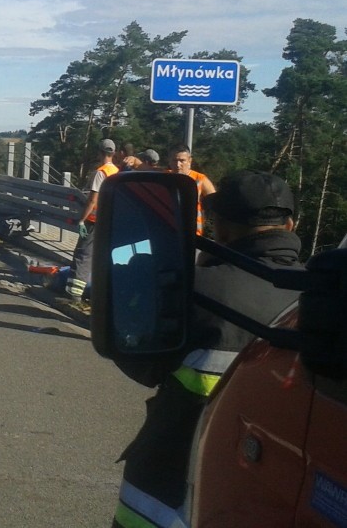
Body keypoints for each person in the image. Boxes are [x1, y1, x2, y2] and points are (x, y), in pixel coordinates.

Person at [111, 170, 302, 528]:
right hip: (268, 491)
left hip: (169, 482)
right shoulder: (318, 302)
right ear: (290, 226)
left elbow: (136, 357)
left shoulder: (197, 288)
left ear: (222, 229)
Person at [64, 138, 119, 304]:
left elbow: (92, 200)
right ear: (113, 153)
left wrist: (82, 220)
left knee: (83, 255)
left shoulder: (100, 173)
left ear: (100, 153)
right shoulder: (116, 172)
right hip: (108, 220)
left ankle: (74, 295)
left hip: (94, 221)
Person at [167, 144, 216, 236]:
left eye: (182, 160)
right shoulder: (164, 177)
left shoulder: (200, 179)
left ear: (189, 160)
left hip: (193, 235)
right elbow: (145, 169)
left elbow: (216, 203)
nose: (178, 164)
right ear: (169, 161)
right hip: (169, 232)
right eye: (174, 160)